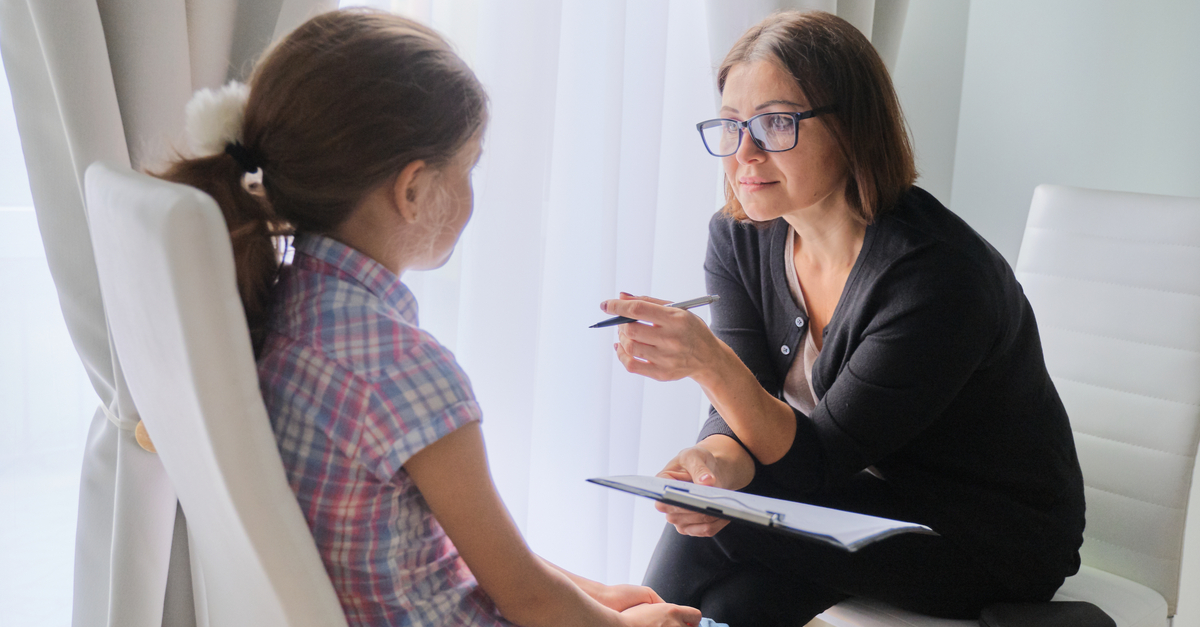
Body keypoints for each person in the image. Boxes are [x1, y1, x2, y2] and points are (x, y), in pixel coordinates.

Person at [156, 9, 702, 627]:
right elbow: (526, 598)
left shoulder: (275, 308)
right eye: (468, 167)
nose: (472, 190)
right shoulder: (406, 370)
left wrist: (592, 597)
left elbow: (467, 559)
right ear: (413, 190)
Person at [599, 10, 1085, 626]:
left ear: (852, 127)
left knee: (722, 534)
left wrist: (706, 362)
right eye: (729, 125)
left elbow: (811, 466)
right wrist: (716, 460)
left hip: (984, 536)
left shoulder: (936, 275)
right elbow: (750, 399)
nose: (743, 152)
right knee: (727, 598)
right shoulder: (740, 236)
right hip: (853, 501)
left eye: (776, 122)